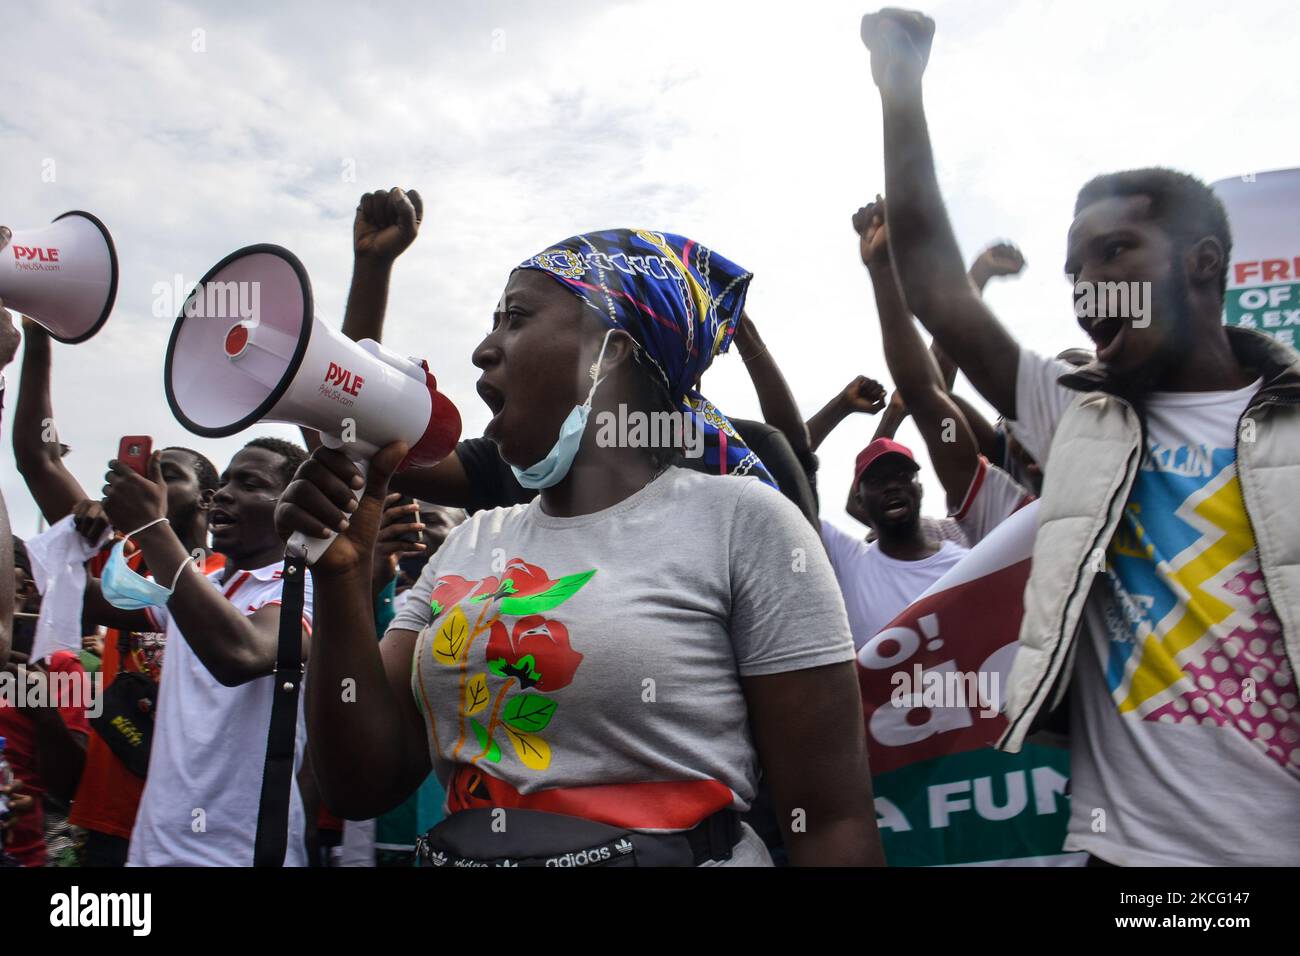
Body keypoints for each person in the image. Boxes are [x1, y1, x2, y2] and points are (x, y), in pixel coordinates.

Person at [278, 228, 883, 866]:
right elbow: (359, 785)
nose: (483, 349)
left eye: (515, 319)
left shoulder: (745, 523)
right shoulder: (468, 547)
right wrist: (340, 578)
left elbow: (831, 822)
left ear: (610, 353)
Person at [862, 7, 1300, 865]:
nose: (1087, 287)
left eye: (1116, 253)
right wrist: (900, 88)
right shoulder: (1084, 421)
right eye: (1074, 270)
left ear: (1204, 262)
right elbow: (936, 290)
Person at [11, 316, 223, 866]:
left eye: (167, 473)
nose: (146, 478)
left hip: (202, 827)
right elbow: (38, 459)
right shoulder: (120, 560)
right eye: (142, 468)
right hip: (110, 824)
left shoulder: (232, 578)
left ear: (207, 499)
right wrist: (40, 332)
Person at [83, 438, 312, 866]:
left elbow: (240, 655)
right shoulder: (204, 587)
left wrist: (152, 528)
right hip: (151, 854)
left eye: (249, 483)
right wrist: (82, 538)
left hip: (239, 857)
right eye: (225, 481)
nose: (224, 493)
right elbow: (88, 598)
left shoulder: (307, 585)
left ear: (294, 506)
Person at [0, 539, 90, 866]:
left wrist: (45, 716)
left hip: (24, 855)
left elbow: (72, 784)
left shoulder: (61, 667)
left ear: (21, 589)